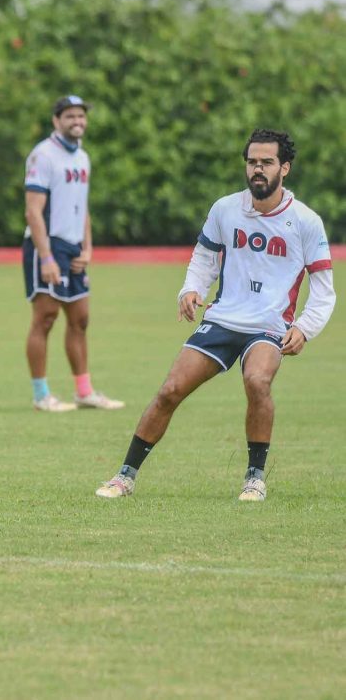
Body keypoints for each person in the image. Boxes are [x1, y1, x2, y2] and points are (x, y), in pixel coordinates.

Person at [96, 129, 335, 502]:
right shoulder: (225, 209)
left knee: (257, 381)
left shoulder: (306, 221)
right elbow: (204, 257)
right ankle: (124, 476)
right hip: (223, 320)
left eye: (267, 162)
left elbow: (324, 288)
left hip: (270, 326)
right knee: (170, 390)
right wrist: (191, 289)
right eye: (252, 162)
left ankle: (254, 478)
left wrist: (305, 328)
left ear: (284, 168)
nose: (258, 169)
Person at [22, 95, 123, 412]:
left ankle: (84, 391)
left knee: (80, 320)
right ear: (56, 121)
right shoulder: (43, 155)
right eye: (70, 116)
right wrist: (46, 257)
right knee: (45, 318)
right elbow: (33, 212)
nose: (77, 121)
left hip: (74, 246)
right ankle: (41, 395)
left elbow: (82, 206)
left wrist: (88, 248)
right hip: (48, 245)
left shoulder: (83, 157)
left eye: (81, 116)